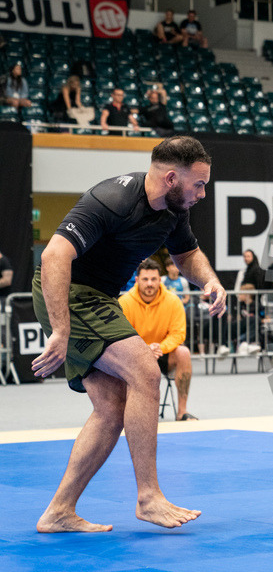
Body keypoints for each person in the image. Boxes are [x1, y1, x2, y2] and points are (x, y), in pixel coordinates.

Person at [30, 135, 224, 533]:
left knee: (112, 406)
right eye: (199, 184)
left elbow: (187, 255)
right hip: (70, 292)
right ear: (171, 178)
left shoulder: (174, 211)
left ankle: (59, 511)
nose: (202, 194)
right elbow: (53, 255)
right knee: (145, 372)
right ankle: (148, 497)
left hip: (99, 297)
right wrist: (61, 329)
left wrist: (210, 281)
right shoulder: (113, 200)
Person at [119, 259, 197, 421]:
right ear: (137, 280)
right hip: (135, 356)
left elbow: (178, 334)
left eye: (153, 279)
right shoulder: (124, 303)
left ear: (160, 280)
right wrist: (144, 349)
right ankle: (123, 413)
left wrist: (159, 348)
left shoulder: (173, 301)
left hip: (162, 352)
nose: (149, 283)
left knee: (183, 352)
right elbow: (122, 336)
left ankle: (182, 412)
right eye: (145, 279)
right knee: (115, 357)